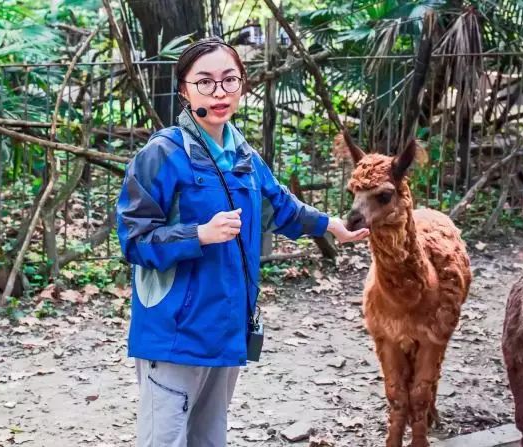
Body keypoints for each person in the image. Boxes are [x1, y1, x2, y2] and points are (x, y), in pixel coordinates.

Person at [115, 36, 369, 447]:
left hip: (227, 326)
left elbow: (279, 207)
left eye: (229, 80)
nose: (219, 92)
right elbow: (134, 238)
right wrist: (199, 234)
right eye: (206, 82)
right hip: (175, 333)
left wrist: (330, 225)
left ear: (242, 85)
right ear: (184, 89)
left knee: (210, 438)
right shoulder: (161, 153)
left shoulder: (243, 155)